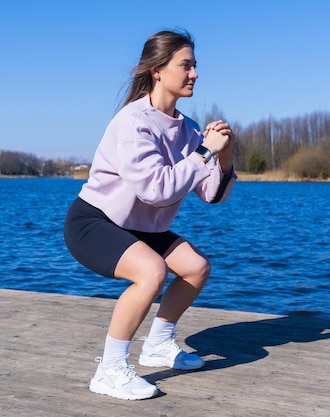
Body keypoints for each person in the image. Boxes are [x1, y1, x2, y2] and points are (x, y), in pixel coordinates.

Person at [63, 29, 236, 400]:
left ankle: (158, 344)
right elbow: (156, 190)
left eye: (195, 66)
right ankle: (109, 370)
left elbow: (211, 194)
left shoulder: (188, 129)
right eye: (186, 65)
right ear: (158, 71)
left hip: (140, 226)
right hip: (94, 222)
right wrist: (204, 153)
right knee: (151, 272)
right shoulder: (133, 122)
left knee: (196, 266)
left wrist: (223, 156)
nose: (195, 73)